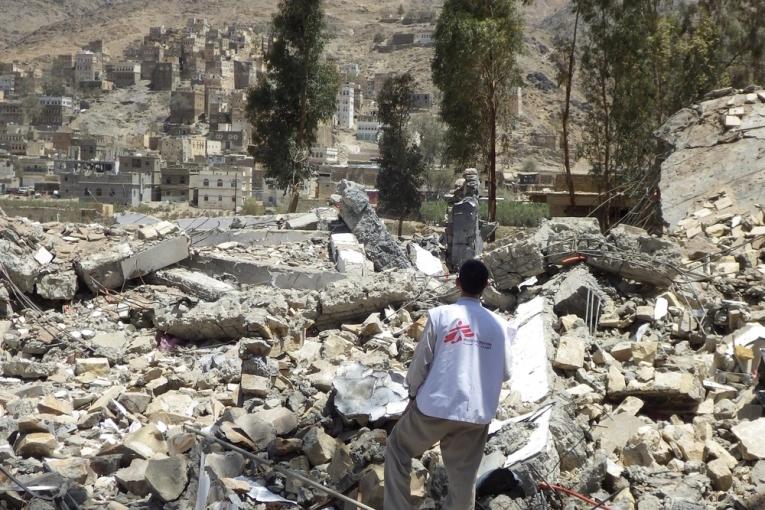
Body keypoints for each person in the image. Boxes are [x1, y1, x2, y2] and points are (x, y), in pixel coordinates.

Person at [384, 259, 515, 510]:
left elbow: (419, 364)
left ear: (457, 283)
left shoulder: (440, 316)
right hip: (476, 416)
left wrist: (412, 395)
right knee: (463, 479)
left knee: (398, 447)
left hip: (434, 406)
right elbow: (506, 373)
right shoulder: (500, 325)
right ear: (486, 286)